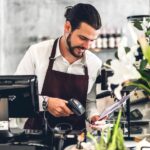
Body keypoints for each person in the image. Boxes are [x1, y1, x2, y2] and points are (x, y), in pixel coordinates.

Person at [16, 3, 103, 132]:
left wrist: (93, 116)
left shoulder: (94, 63)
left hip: (76, 139)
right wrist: (46, 103)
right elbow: (17, 96)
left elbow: (89, 102)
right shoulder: (36, 53)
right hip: (37, 136)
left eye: (92, 40)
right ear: (67, 27)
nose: (87, 46)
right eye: (83, 38)